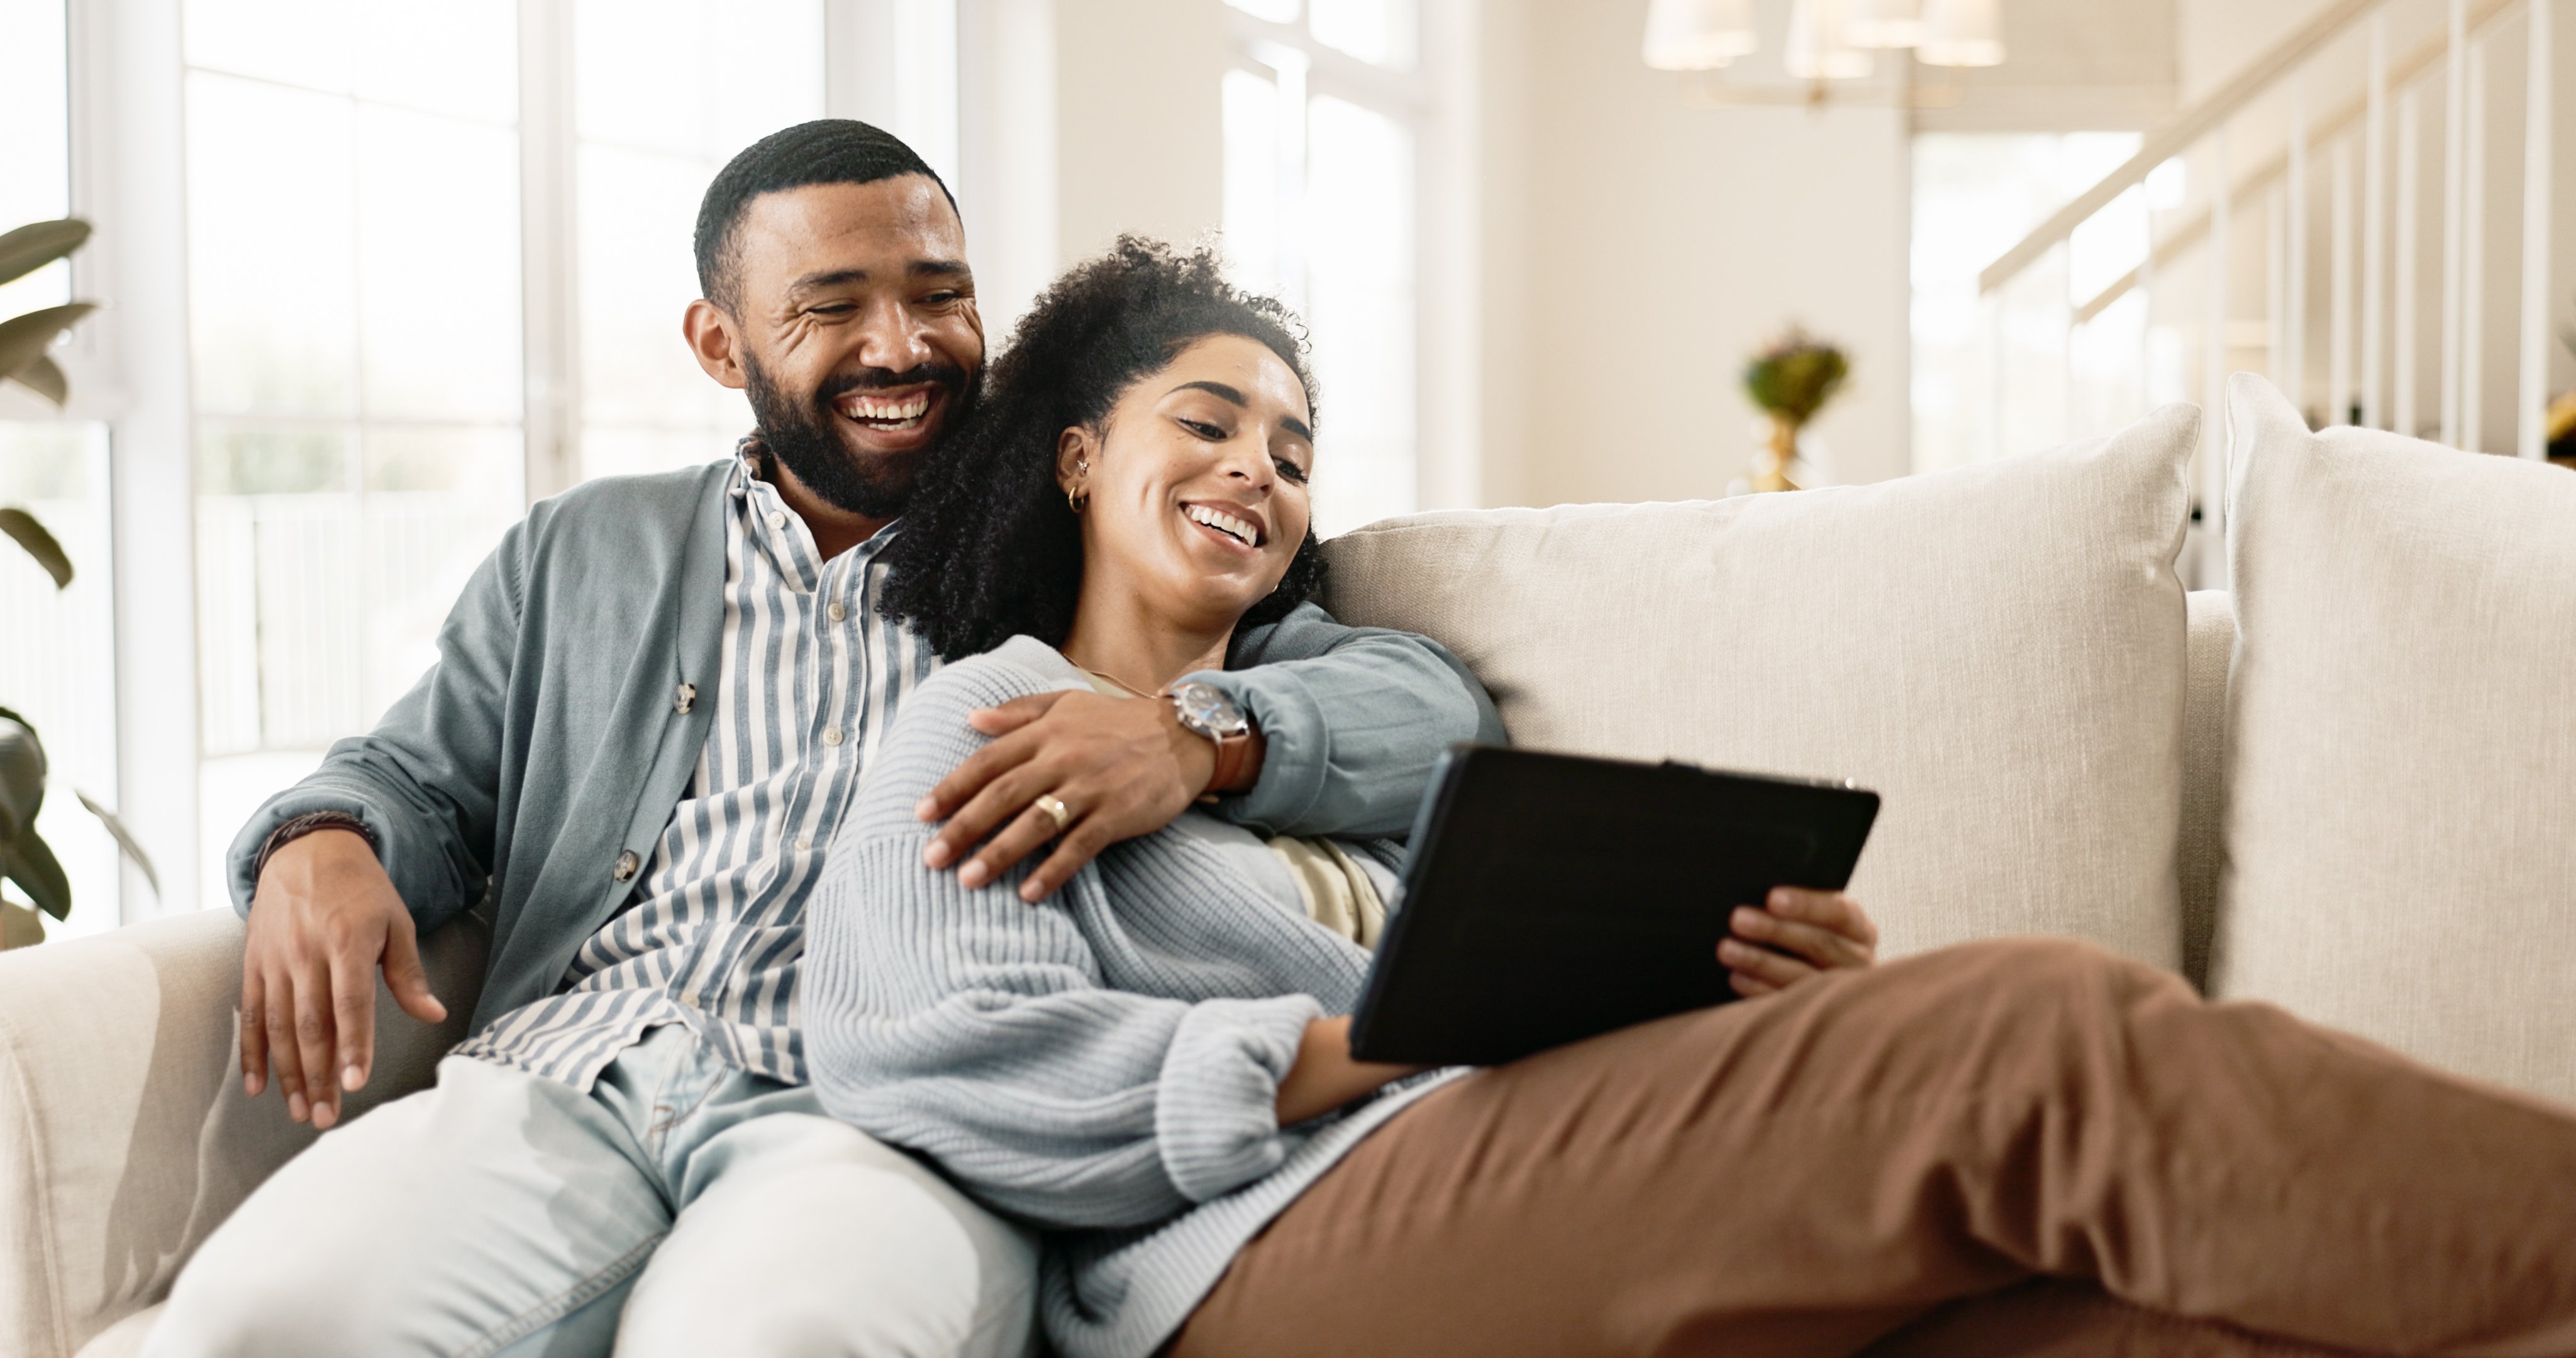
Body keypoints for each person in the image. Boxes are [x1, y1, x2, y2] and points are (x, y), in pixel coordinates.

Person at [805, 236, 2576, 1358]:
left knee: (2141, 1323)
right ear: (1080, 456)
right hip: (1254, 1253)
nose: (1256, 472)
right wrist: (1387, 1044)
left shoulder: (1347, 711)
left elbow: (1453, 819)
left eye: (1291, 450)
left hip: (1517, 1169)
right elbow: (925, 1048)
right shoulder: (996, 714)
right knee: (2032, 1036)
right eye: (1205, 424)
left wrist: (1721, 986)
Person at [146, 121, 1501, 1358]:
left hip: (879, 1121)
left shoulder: (1079, 530)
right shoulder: (585, 551)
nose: (902, 348)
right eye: (830, 308)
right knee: (247, 1329)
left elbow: (1430, 708)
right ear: (720, 346)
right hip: (572, 1068)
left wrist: (1197, 739)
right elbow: (414, 781)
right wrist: (321, 834)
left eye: (938, 295)